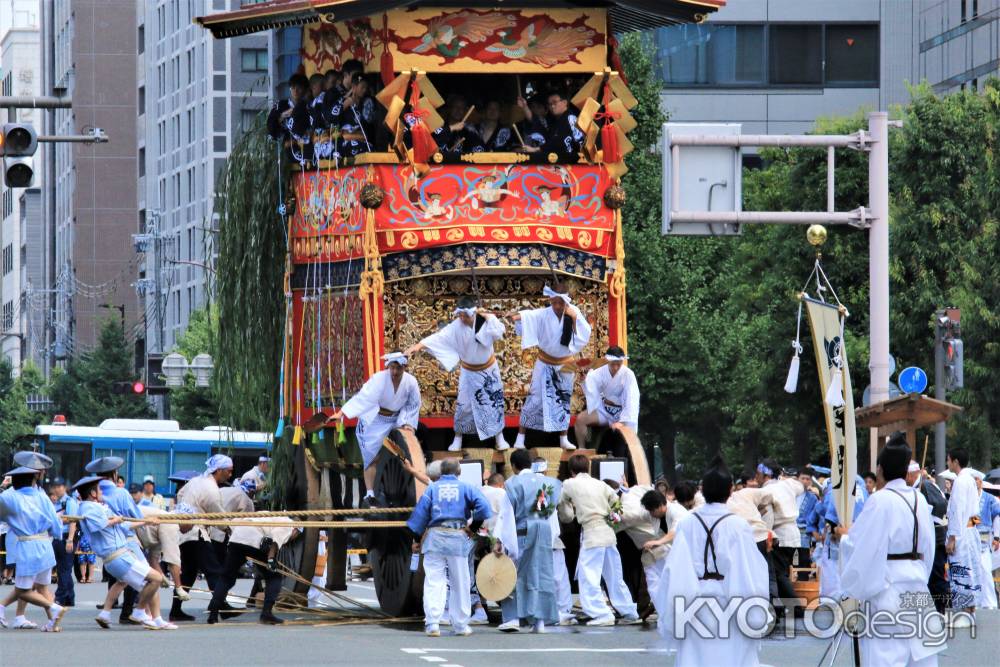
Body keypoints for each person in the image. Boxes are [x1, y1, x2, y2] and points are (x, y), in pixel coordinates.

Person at [655, 454, 770, 667]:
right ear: (730, 491)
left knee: (694, 659)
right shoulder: (737, 525)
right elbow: (750, 570)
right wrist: (754, 612)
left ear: (702, 491)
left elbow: (674, 568)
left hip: (692, 603)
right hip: (730, 603)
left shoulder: (688, 523)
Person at [840, 436, 945, 666]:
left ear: (880, 469)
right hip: (917, 587)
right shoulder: (919, 499)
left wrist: (844, 538)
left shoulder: (880, 500)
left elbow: (864, 547)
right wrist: (918, 574)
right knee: (921, 657)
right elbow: (928, 548)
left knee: (886, 657)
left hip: (888, 589)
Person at [405, 296, 509, 452]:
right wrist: (419, 346)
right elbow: (439, 337)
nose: (462, 318)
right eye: (460, 315)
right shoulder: (456, 326)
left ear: (473, 313)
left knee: (493, 404)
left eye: (465, 315)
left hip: (489, 371)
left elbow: (498, 332)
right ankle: (458, 438)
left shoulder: (486, 320)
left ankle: (499, 437)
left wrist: (487, 316)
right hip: (468, 371)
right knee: (464, 405)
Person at [72, 475, 175, 630]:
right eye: (99, 489)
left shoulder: (98, 506)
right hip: (118, 556)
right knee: (156, 579)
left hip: (119, 555)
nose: (101, 492)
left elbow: (123, 526)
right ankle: (140, 611)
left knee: (131, 582)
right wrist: (115, 520)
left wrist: (147, 521)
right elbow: (99, 525)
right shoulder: (88, 507)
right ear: (92, 493)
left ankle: (108, 614)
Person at [406, 458, 492, 637]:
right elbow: (484, 508)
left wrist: (416, 539)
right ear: (459, 472)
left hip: (434, 538)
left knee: (434, 580)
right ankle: (460, 625)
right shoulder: (467, 488)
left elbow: (420, 515)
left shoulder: (432, 489)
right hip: (457, 538)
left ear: (440, 473)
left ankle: (432, 623)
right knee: (460, 582)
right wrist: (473, 527)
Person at [508, 282, 592, 450]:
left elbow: (583, 337)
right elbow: (529, 316)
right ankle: (520, 438)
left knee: (563, 399)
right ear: (551, 300)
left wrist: (574, 318)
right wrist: (516, 317)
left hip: (565, 364)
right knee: (535, 398)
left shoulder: (573, 313)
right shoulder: (544, 314)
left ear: (566, 302)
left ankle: (563, 438)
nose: (557, 306)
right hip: (545, 363)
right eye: (554, 302)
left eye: (561, 303)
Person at [558, 454, 639, 626]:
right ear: (588, 467)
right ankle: (629, 611)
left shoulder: (568, 483)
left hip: (591, 532)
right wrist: (611, 518)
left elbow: (566, 515)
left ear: (571, 470)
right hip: (608, 532)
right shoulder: (600, 483)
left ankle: (601, 614)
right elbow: (617, 501)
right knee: (614, 576)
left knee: (589, 577)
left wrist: (570, 514)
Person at [330, 352, 421, 503]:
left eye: (398, 368)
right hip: (376, 419)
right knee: (371, 457)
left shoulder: (411, 382)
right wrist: (341, 413)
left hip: (398, 418)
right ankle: (370, 493)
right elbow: (362, 398)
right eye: (392, 368)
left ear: (405, 366)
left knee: (404, 447)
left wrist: (408, 424)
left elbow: (413, 404)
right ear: (388, 366)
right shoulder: (379, 379)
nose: (395, 372)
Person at [496, 449, 559, 633]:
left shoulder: (513, 484)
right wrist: (552, 535)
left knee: (516, 574)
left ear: (513, 466)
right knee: (541, 575)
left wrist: (502, 541)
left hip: (523, 532)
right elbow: (551, 514)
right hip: (544, 531)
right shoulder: (546, 483)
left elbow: (506, 515)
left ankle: (514, 617)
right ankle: (539, 621)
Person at [0, 466, 66, 631]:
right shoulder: (42, 496)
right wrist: (56, 533)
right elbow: (55, 525)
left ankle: (53, 607)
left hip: (28, 546)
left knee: (23, 590)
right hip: (45, 544)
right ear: (33, 479)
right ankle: (52, 622)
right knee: (42, 586)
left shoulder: (11, 497)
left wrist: (3, 486)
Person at [170, 454, 233, 622]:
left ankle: (175, 611)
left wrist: (185, 513)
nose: (230, 475)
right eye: (228, 471)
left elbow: (180, 494)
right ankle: (221, 606)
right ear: (219, 470)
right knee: (213, 571)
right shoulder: (211, 490)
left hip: (184, 533)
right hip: (196, 533)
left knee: (188, 574)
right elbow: (218, 516)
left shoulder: (196, 480)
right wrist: (230, 530)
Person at [85, 456, 145, 625]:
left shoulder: (94, 495)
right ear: (114, 473)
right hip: (125, 538)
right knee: (147, 577)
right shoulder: (120, 492)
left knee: (121, 579)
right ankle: (143, 613)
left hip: (105, 543)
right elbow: (136, 516)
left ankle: (107, 612)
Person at [209, 516, 299, 625]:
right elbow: (277, 537)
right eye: (296, 536)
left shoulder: (268, 516)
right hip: (253, 541)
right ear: (296, 530)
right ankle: (266, 614)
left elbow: (234, 523)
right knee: (273, 577)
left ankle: (213, 613)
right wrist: (271, 559)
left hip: (236, 539)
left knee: (226, 577)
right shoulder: (289, 524)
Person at [618, 486, 683, 615]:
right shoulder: (652, 513)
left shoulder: (676, 511)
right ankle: (665, 611)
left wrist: (656, 542)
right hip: (670, 551)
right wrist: (615, 517)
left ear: (659, 506)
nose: (650, 514)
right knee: (654, 578)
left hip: (685, 552)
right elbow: (634, 516)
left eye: (651, 511)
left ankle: (678, 610)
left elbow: (674, 532)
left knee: (676, 583)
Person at [757, 460, 804, 621]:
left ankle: (795, 607)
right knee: (780, 572)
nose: (756, 477)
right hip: (793, 534)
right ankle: (788, 607)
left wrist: (766, 536)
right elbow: (800, 486)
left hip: (779, 534)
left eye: (758, 474)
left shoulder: (767, 491)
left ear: (766, 474)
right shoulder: (786, 485)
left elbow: (768, 516)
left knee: (778, 574)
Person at [944, 447, 982, 626]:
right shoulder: (970, 480)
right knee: (969, 571)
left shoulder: (960, 481)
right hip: (970, 530)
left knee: (962, 571)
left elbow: (957, 510)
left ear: (955, 462)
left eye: (948, 460)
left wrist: (952, 538)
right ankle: (969, 610)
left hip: (961, 533)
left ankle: (966, 612)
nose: (947, 463)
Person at [574, 346, 639, 448]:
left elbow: (632, 399)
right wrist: (584, 380)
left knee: (627, 438)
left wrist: (621, 422)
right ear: (608, 361)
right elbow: (591, 389)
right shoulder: (600, 373)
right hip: (605, 411)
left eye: (619, 364)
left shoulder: (628, 375)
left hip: (623, 413)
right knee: (581, 419)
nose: (616, 368)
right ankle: (582, 449)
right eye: (613, 364)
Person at [132, 503, 188, 603]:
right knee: (134, 576)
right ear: (185, 520)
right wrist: (179, 588)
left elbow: (153, 558)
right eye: (192, 524)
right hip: (129, 533)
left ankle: (134, 609)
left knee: (145, 578)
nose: (191, 528)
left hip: (133, 535)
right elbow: (173, 560)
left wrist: (162, 576)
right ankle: (133, 611)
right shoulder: (171, 523)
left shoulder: (164, 523)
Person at [914, 464, 951, 614]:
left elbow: (941, 505)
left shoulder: (925, 485)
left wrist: (927, 517)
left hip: (936, 539)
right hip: (930, 539)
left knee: (935, 578)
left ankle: (939, 611)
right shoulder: (920, 487)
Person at [521, 90, 582, 162]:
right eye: (550, 104)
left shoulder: (570, 118)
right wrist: (524, 106)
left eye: (555, 102)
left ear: (564, 102)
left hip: (574, 163)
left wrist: (536, 149)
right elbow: (539, 126)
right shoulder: (555, 120)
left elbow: (558, 141)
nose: (552, 106)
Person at [48, 477, 78, 608]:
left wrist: (70, 540)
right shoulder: (55, 503)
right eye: (55, 486)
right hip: (57, 537)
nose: (57, 489)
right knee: (62, 569)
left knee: (64, 569)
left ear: (64, 487)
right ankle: (69, 598)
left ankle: (59, 597)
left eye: (59, 486)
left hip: (67, 537)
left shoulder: (69, 502)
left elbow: (73, 521)